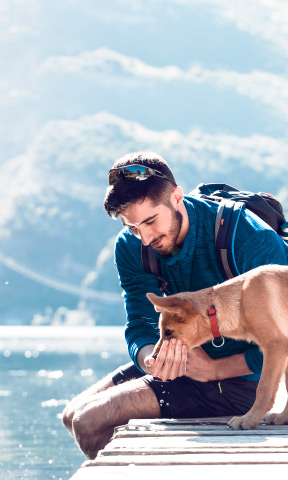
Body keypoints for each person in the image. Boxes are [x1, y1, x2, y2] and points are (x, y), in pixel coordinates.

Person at [62, 151, 288, 459]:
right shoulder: (132, 248)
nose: (145, 238)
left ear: (176, 196)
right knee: (71, 415)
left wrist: (216, 369)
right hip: (185, 365)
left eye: (150, 221)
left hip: (238, 382)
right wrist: (151, 361)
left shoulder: (243, 233)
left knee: (89, 422)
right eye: (133, 227)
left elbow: (282, 342)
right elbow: (139, 325)